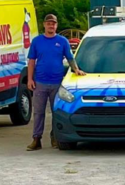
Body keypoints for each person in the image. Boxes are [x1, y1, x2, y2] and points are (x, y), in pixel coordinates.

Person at [26, 14, 86, 151]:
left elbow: (70, 58)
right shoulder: (37, 41)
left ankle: (55, 136)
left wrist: (76, 69)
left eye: (53, 24)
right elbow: (31, 61)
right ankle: (36, 139)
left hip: (57, 82)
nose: (51, 26)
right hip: (40, 82)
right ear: (44, 25)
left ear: (56, 25)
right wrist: (29, 79)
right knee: (38, 112)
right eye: (48, 23)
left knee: (56, 112)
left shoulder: (62, 41)